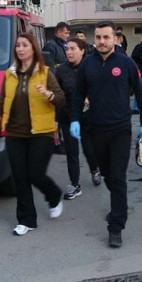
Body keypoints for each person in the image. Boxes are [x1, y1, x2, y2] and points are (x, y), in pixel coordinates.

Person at [69, 21, 142, 248]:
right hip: (96, 129)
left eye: (106, 37)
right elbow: (78, 95)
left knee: (117, 177)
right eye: (98, 38)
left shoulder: (126, 63)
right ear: (93, 39)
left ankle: (116, 226)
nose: (102, 42)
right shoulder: (87, 65)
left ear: (115, 38)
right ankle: (119, 206)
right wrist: (75, 118)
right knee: (106, 174)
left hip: (120, 130)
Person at [0, 33, 66, 236]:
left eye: (24, 45)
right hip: (15, 132)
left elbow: (60, 98)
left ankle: (54, 194)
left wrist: (48, 94)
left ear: (33, 48)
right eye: (17, 46)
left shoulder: (45, 72)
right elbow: (2, 102)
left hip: (42, 132)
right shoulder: (10, 74)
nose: (20, 49)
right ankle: (26, 220)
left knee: (35, 174)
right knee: (20, 178)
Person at [56, 37, 101, 200]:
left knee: (89, 150)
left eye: (73, 48)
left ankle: (95, 170)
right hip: (67, 117)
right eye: (67, 49)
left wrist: (90, 97)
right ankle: (75, 184)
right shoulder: (61, 70)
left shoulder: (92, 67)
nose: (69, 52)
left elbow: (101, 88)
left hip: (88, 117)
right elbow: (58, 94)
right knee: (71, 152)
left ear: (82, 50)